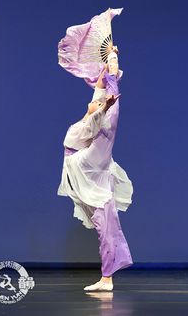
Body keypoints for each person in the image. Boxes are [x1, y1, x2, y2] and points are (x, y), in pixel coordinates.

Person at [57, 46, 134, 291]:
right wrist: (107, 56)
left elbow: (109, 90)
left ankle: (107, 277)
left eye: (100, 102)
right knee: (105, 224)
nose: (96, 100)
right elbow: (102, 84)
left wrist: (113, 59)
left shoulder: (103, 118)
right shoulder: (93, 110)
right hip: (82, 168)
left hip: (90, 166)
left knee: (106, 226)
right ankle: (107, 276)